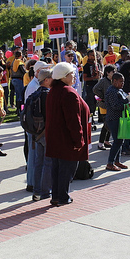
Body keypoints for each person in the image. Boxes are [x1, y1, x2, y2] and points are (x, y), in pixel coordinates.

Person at [45, 62, 90, 206]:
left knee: (57, 168)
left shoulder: (54, 90)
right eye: (72, 74)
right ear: (64, 77)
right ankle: (62, 196)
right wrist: (79, 140)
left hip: (56, 138)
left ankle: (57, 195)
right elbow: (73, 120)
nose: (74, 76)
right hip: (66, 139)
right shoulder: (68, 93)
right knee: (66, 169)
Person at [104, 73, 130, 171]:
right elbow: (116, 106)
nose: (123, 83)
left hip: (120, 118)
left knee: (120, 140)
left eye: (123, 81)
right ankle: (110, 163)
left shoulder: (119, 90)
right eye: (120, 81)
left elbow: (126, 101)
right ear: (114, 81)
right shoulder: (111, 91)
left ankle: (117, 161)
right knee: (117, 141)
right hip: (113, 119)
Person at [29, 69, 53, 202]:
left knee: (38, 162)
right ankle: (44, 192)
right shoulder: (48, 95)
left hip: (36, 132)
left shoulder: (35, 93)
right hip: (46, 132)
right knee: (48, 163)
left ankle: (36, 191)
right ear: (47, 80)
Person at [93, 64, 116, 150]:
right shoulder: (103, 81)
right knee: (106, 125)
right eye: (113, 71)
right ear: (107, 73)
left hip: (111, 106)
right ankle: (100, 143)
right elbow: (95, 89)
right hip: (104, 106)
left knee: (110, 123)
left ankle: (106, 141)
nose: (114, 73)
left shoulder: (113, 81)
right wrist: (102, 96)